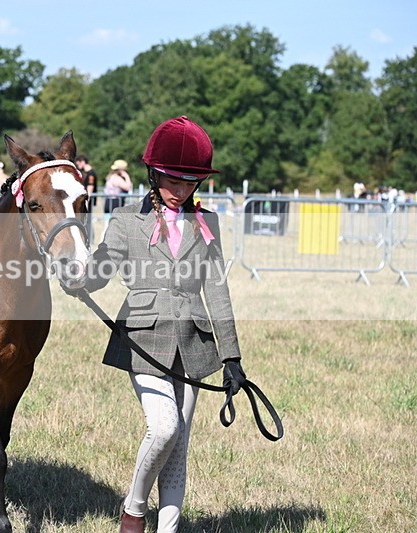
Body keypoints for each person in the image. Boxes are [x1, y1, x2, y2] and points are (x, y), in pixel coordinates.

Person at [76, 116, 245, 533]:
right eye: (172, 180)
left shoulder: (208, 224)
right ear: (152, 174)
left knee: (180, 444)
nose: (181, 190)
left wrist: (232, 356)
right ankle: (134, 508)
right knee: (164, 426)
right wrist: (74, 273)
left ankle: (168, 529)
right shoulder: (126, 220)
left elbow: (217, 291)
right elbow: (98, 272)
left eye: (190, 182)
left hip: (192, 343)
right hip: (144, 339)